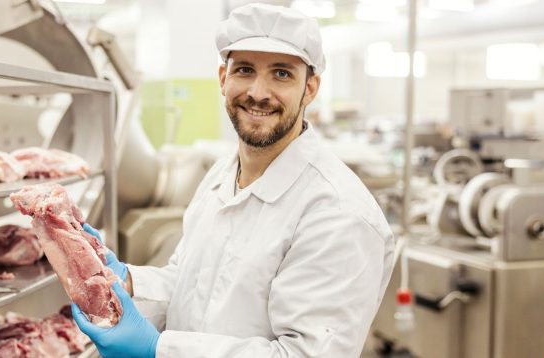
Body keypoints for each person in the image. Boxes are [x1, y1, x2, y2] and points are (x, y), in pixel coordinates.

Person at [71, 3, 395, 357]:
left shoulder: (338, 213)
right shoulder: (221, 176)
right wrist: (127, 281)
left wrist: (159, 348)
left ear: (310, 88)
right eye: (245, 70)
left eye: (282, 74)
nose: (258, 92)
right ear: (224, 79)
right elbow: (189, 283)